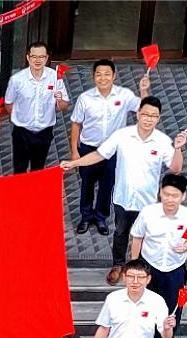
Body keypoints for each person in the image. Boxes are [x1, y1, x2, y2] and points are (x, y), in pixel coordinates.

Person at [62, 96, 186, 286]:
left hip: (147, 202)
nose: (148, 119)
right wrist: (74, 163)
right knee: (121, 232)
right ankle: (118, 265)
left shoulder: (162, 141)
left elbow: (176, 168)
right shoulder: (122, 136)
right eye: (145, 114)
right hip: (122, 198)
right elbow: (99, 154)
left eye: (153, 116)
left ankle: (141, 269)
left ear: (158, 118)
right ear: (138, 114)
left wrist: (178, 149)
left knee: (144, 236)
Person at [68, 59, 150, 237]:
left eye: (107, 74)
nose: (103, 78)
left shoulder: (124, 95)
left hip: (113, 151)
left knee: (107, 186)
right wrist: (74, 151)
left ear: (114, 76)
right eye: (99, 74)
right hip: (89, 149)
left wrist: (144, 90)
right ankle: (85, 217)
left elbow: (144, 110)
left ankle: (101, 218)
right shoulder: (85, 98)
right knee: (87, 184)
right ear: (93, 77)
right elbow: (75, 124)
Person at [130, 173, 187, 338]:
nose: (170, 199)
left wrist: (186, 246)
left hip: (174, 269)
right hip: (149, 265)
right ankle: (142, 336)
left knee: (173, 306)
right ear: (160, 193)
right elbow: (137, 237)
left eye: (175, 195)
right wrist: (135, 265)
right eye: (166, 194)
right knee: (143, 302)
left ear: (183, 196)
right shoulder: (148, 213)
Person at [4, 41, 69, 174]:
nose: (37, 60)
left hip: (44, 132)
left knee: (38, 169)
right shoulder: (17, 79)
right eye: (34, 56)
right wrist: (17, 118)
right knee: (19, 170)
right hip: (22, 132)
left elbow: (64, 106)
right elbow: (8, 104)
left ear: (46, 58)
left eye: (41, 57)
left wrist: (59, 99)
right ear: (28, 58)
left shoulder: (55, 78)